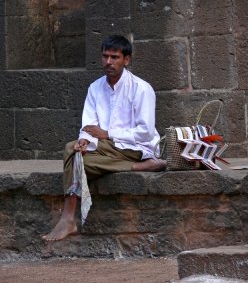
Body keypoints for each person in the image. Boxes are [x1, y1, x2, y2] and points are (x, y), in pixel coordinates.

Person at [42, 35, 166, 241]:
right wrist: (84, 141)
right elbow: (88, 126)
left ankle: (67, 217)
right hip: (105, 148)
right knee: (73, 151)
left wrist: (108, 134)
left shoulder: (141, 88)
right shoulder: (95, 88)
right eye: (105, 56)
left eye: (114, 57)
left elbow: (145, 132)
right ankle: (139, 168)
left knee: (72, 158)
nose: (108, 62)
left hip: (135, 147)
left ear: (126, 60)